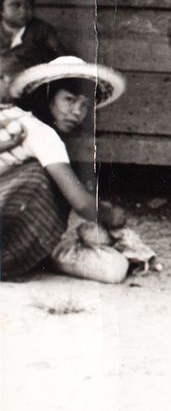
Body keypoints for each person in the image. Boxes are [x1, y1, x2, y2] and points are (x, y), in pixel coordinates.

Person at [2, 55, 128, 281]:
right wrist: (110, 215)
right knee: (44, 180)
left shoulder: (13, 118)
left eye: (84, 105)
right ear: (46, 96)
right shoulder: (42, 134)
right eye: (69, 100)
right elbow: (80, 202)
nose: (77, 113)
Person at [0, 0, 65, 69]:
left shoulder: (43, 31)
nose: (24, 10)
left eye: (29, 4)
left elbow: (62, 60)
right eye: (16, 5)